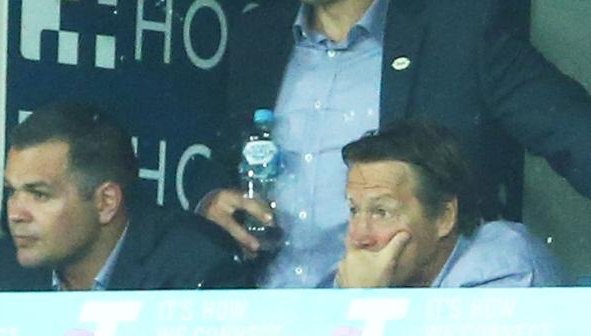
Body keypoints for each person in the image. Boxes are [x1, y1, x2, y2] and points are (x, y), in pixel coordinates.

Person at [197, 0, 591, 288]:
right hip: (265, 319)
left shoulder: (458, 31)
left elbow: (577, 135)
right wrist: (212, 202)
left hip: (417, 325)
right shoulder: (258, 35)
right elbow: (227, 162)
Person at [0, 102, 250, 291]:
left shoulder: (193, 263)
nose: (16, 214)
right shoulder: (8, 267)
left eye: (39, 195)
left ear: (106, 202)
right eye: (11, 192)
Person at [336, 120, 565, 287]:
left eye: (381, 212)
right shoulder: (370, 277)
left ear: (444, 217)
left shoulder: (501, 268)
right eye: (354, 210)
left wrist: (362, 303)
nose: (359, 237)